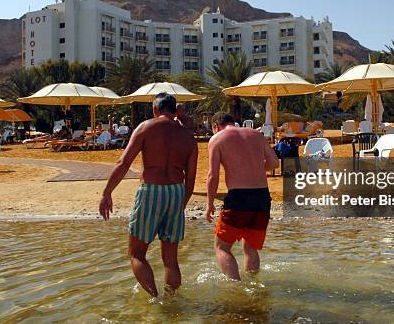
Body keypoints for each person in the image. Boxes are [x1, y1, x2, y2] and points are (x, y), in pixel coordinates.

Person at [99, 93, 198, 297]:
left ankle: (155, 298)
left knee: (137, 254)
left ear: (155, 110)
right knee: (171, 260)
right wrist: (181, 205)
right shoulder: (189, 137)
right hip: (176, 192)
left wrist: (107, 192)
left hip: (151, 190)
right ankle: (171, 300)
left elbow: (123, 163)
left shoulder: (146, 127)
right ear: (174, 110)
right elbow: (191, 180)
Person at [206, 112, 279, 281]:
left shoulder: (217, 139)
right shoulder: (256, 135)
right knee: (251, 248)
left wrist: (210, 204)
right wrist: (254, 169)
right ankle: (253, 285)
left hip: (239, 198)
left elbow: (212, 176)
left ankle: (236, 289)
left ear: (216, 126)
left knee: (222, 247)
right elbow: (275, 162)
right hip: (262, 197)